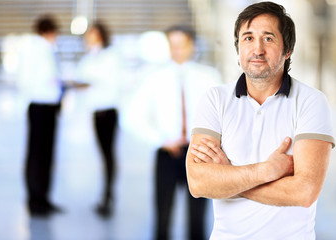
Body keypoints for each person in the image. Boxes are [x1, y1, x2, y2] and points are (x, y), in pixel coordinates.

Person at [186, 2, 335, 239]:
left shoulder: (311, 102)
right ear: (238, 49)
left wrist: (228, 178)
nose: (257, 49)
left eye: (268, 38)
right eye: (248, 38)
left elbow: (304, 192)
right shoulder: (215, 99)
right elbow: (198, 182)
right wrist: (267, 170)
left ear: (287, 51)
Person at [128, 25, 222, 240]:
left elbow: (223, 116)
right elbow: (132, 116)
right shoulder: (154, 78)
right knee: (163, 215)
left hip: (200, 154)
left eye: (182, 44)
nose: (177, 50)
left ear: (193, 46)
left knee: (197, 218)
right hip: (167, 153)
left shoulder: (208, 77)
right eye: (172, 45)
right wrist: (160, 139)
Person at [17, 14, 63, 217]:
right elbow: (26, 80)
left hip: (49, 108)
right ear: (48, 31)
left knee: (47, 155)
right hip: (39, 107)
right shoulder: (32, 49)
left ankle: (44, 198)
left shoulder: (47, 50)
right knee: (36, 156)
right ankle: (34, 200)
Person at [75, 21, 123, 217]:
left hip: (108, 112)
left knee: (108, 155)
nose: (89, 39)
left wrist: (90, 82)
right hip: (96, 112)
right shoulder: (90, 57)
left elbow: (109, 80)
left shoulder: (110, 56)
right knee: (104, 155)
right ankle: (106, 195)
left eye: (92, 35)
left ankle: (108, 196)